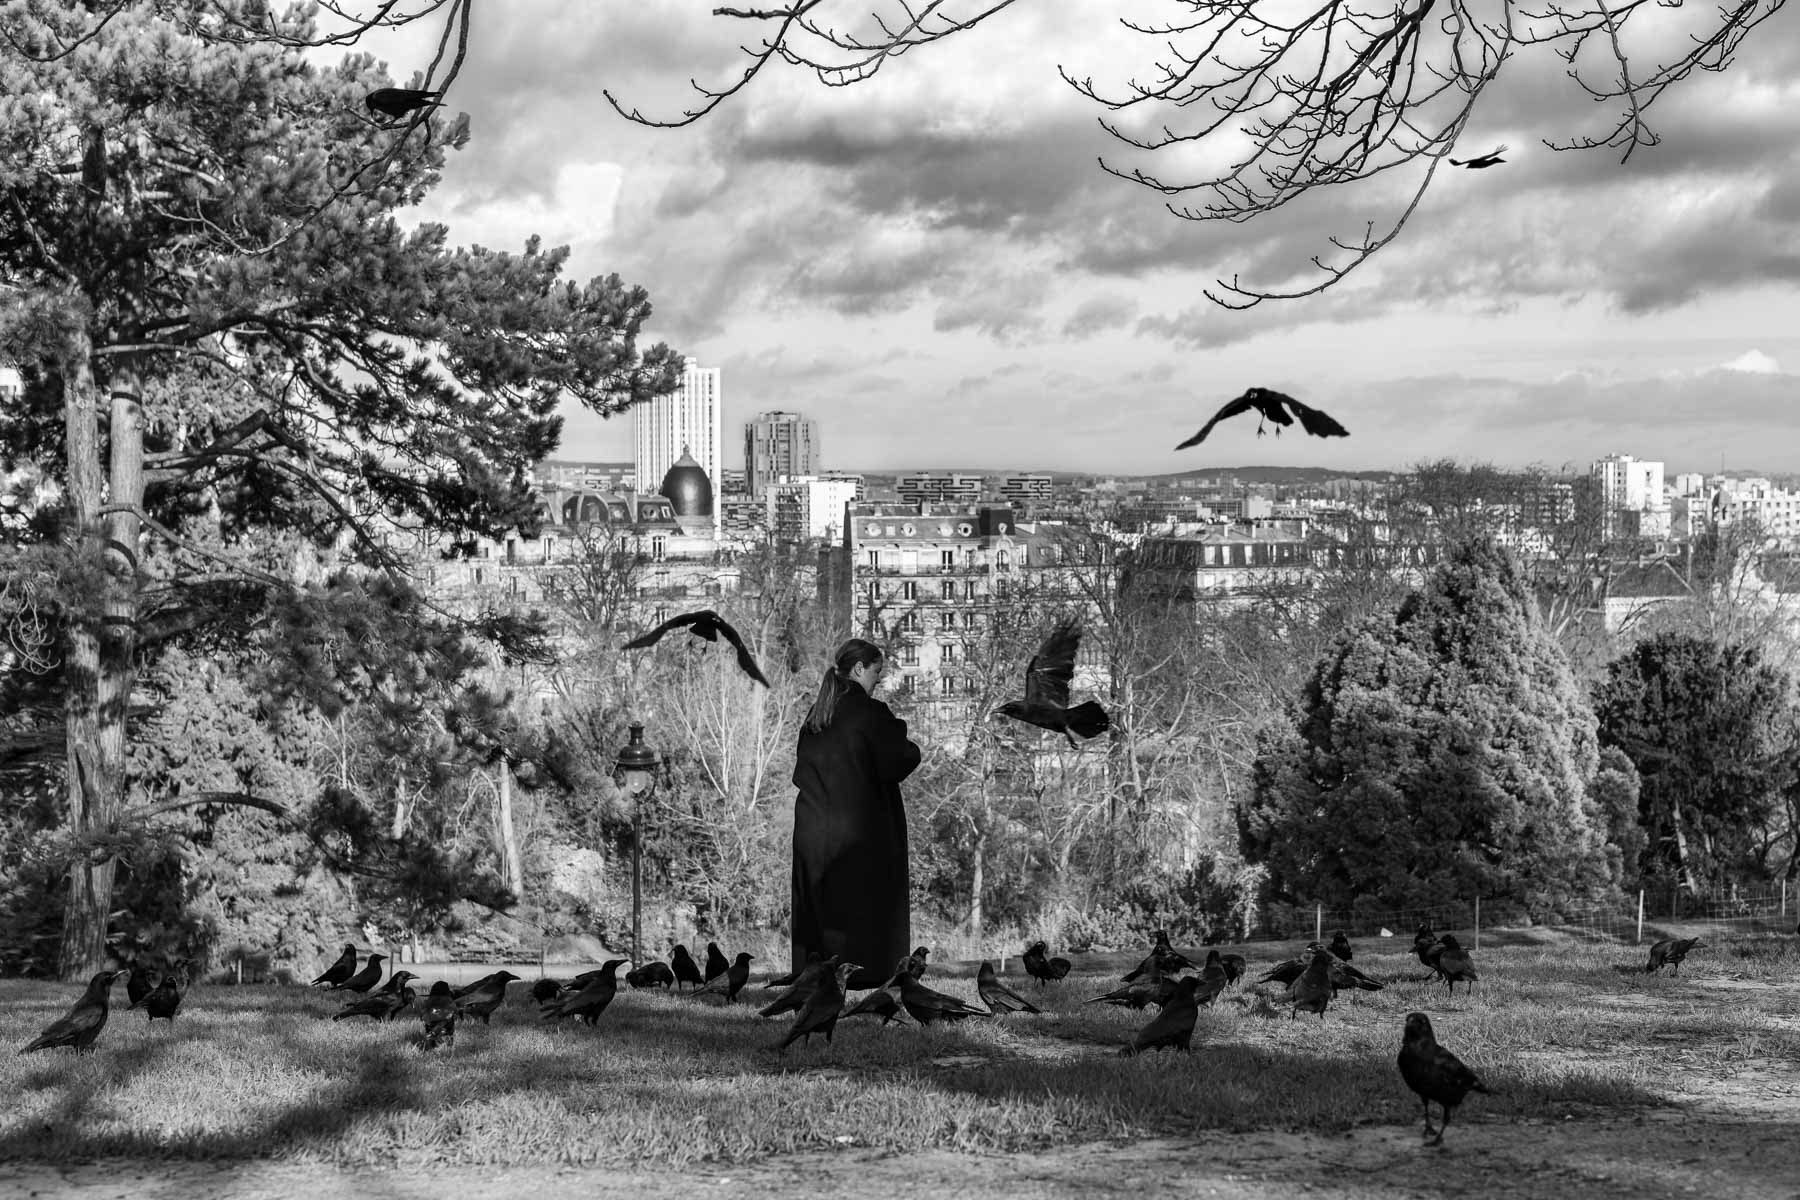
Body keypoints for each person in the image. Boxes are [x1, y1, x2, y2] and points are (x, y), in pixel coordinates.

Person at [790, 638, 921, 990]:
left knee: (819, 909)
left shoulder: (817, 715)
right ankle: (867, 974)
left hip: (813, 831)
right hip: (858, 832)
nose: (878, 680)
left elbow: (802, 772)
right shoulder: (870, 714)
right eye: (876, 672)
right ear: (860, 669)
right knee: (861, 905)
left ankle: (815, 979)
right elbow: (900, 758)